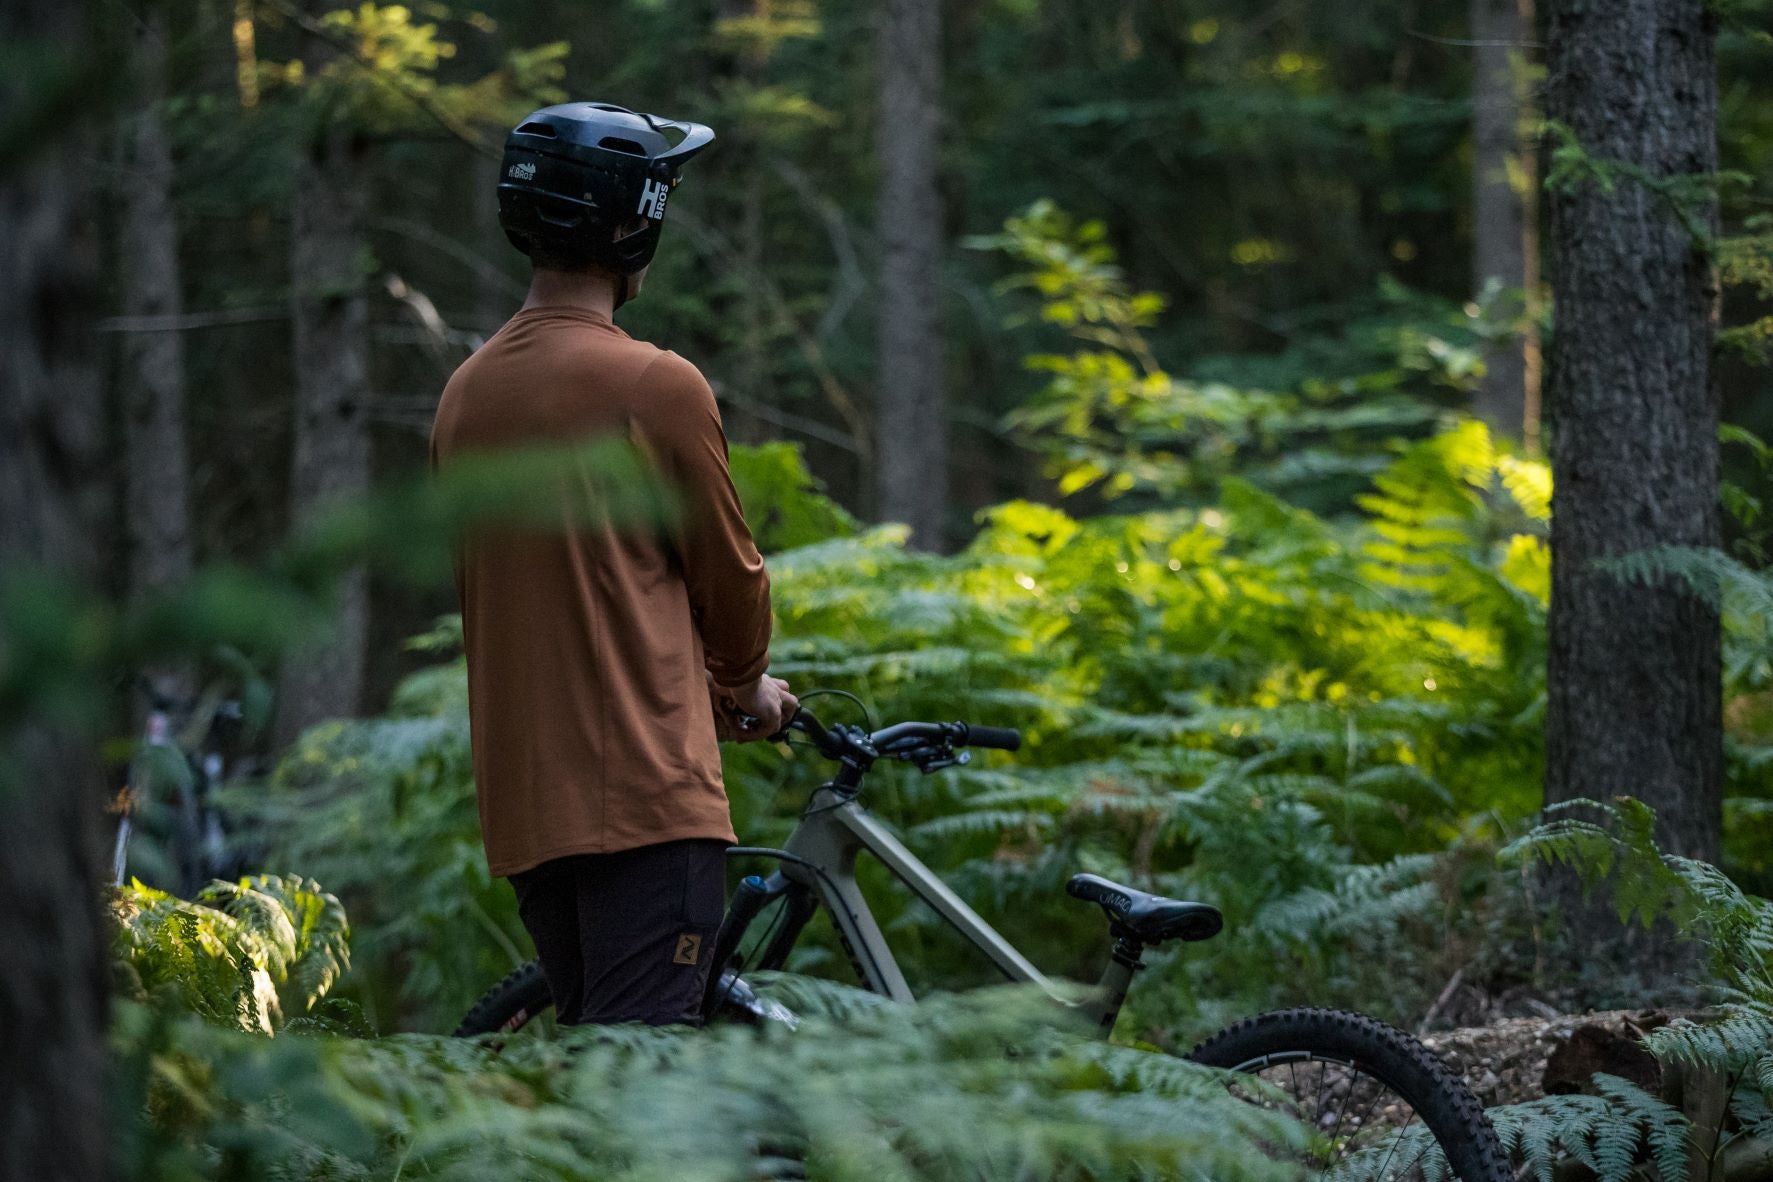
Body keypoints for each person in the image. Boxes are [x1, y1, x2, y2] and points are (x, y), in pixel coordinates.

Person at [430, 102, 796, 1026]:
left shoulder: (464, 396)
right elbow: (732, 577)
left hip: (528, 811)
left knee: (597, 1082)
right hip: (644, 800)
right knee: (642, 1098)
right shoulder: (654, 383)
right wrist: (746, 685)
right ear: (636, 223)